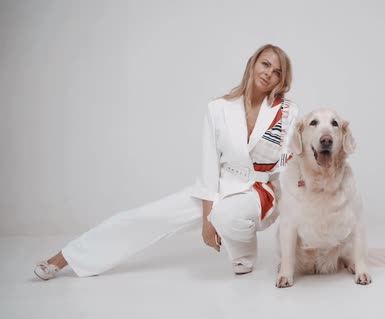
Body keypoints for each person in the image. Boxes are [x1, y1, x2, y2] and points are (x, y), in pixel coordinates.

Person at [34, 44, 299, 280]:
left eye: (277, 71)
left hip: (260, 192)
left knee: (225, 215)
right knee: (144, 217)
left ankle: (243, 255)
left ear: (282, 79)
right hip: (220, 185)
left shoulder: (286, 112)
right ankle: (65, 258)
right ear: (253, 63)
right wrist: (207, 221)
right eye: (265, 64)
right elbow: (209, 166)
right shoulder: (218, 108)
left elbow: (290, 163)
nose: (269, 73)